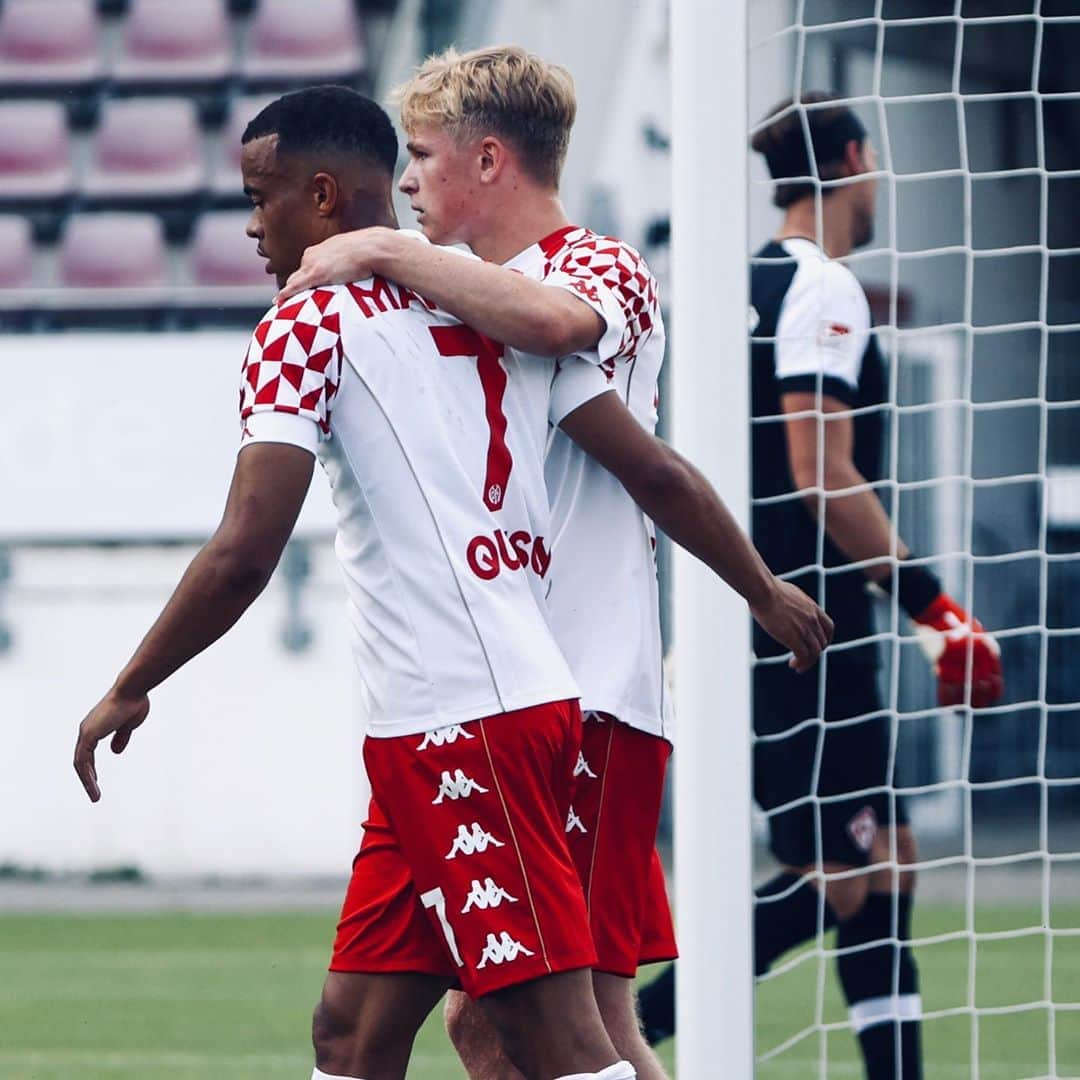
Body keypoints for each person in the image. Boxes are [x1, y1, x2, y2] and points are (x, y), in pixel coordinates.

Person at [73, 84, 829, 1080]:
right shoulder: (496, 305)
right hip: (454, 722)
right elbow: (652, 466)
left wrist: (133, 680)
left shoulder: (309, 328)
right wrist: (759, 589)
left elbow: (245, 551)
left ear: (326, 195)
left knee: (557, 1041)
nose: (252, 226)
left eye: (262, 198)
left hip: (469, 720)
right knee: (351, 1032)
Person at [637, 94, 1004, 1079]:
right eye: (875, 160)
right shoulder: (823, 288)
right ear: (851, 161)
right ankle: (610, 1036)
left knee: (885, 864)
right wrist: (936, 606)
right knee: (845, 876)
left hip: (766, 620)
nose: (880, 179)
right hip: (801, 624)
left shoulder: (736, 288)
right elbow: (822, 471)